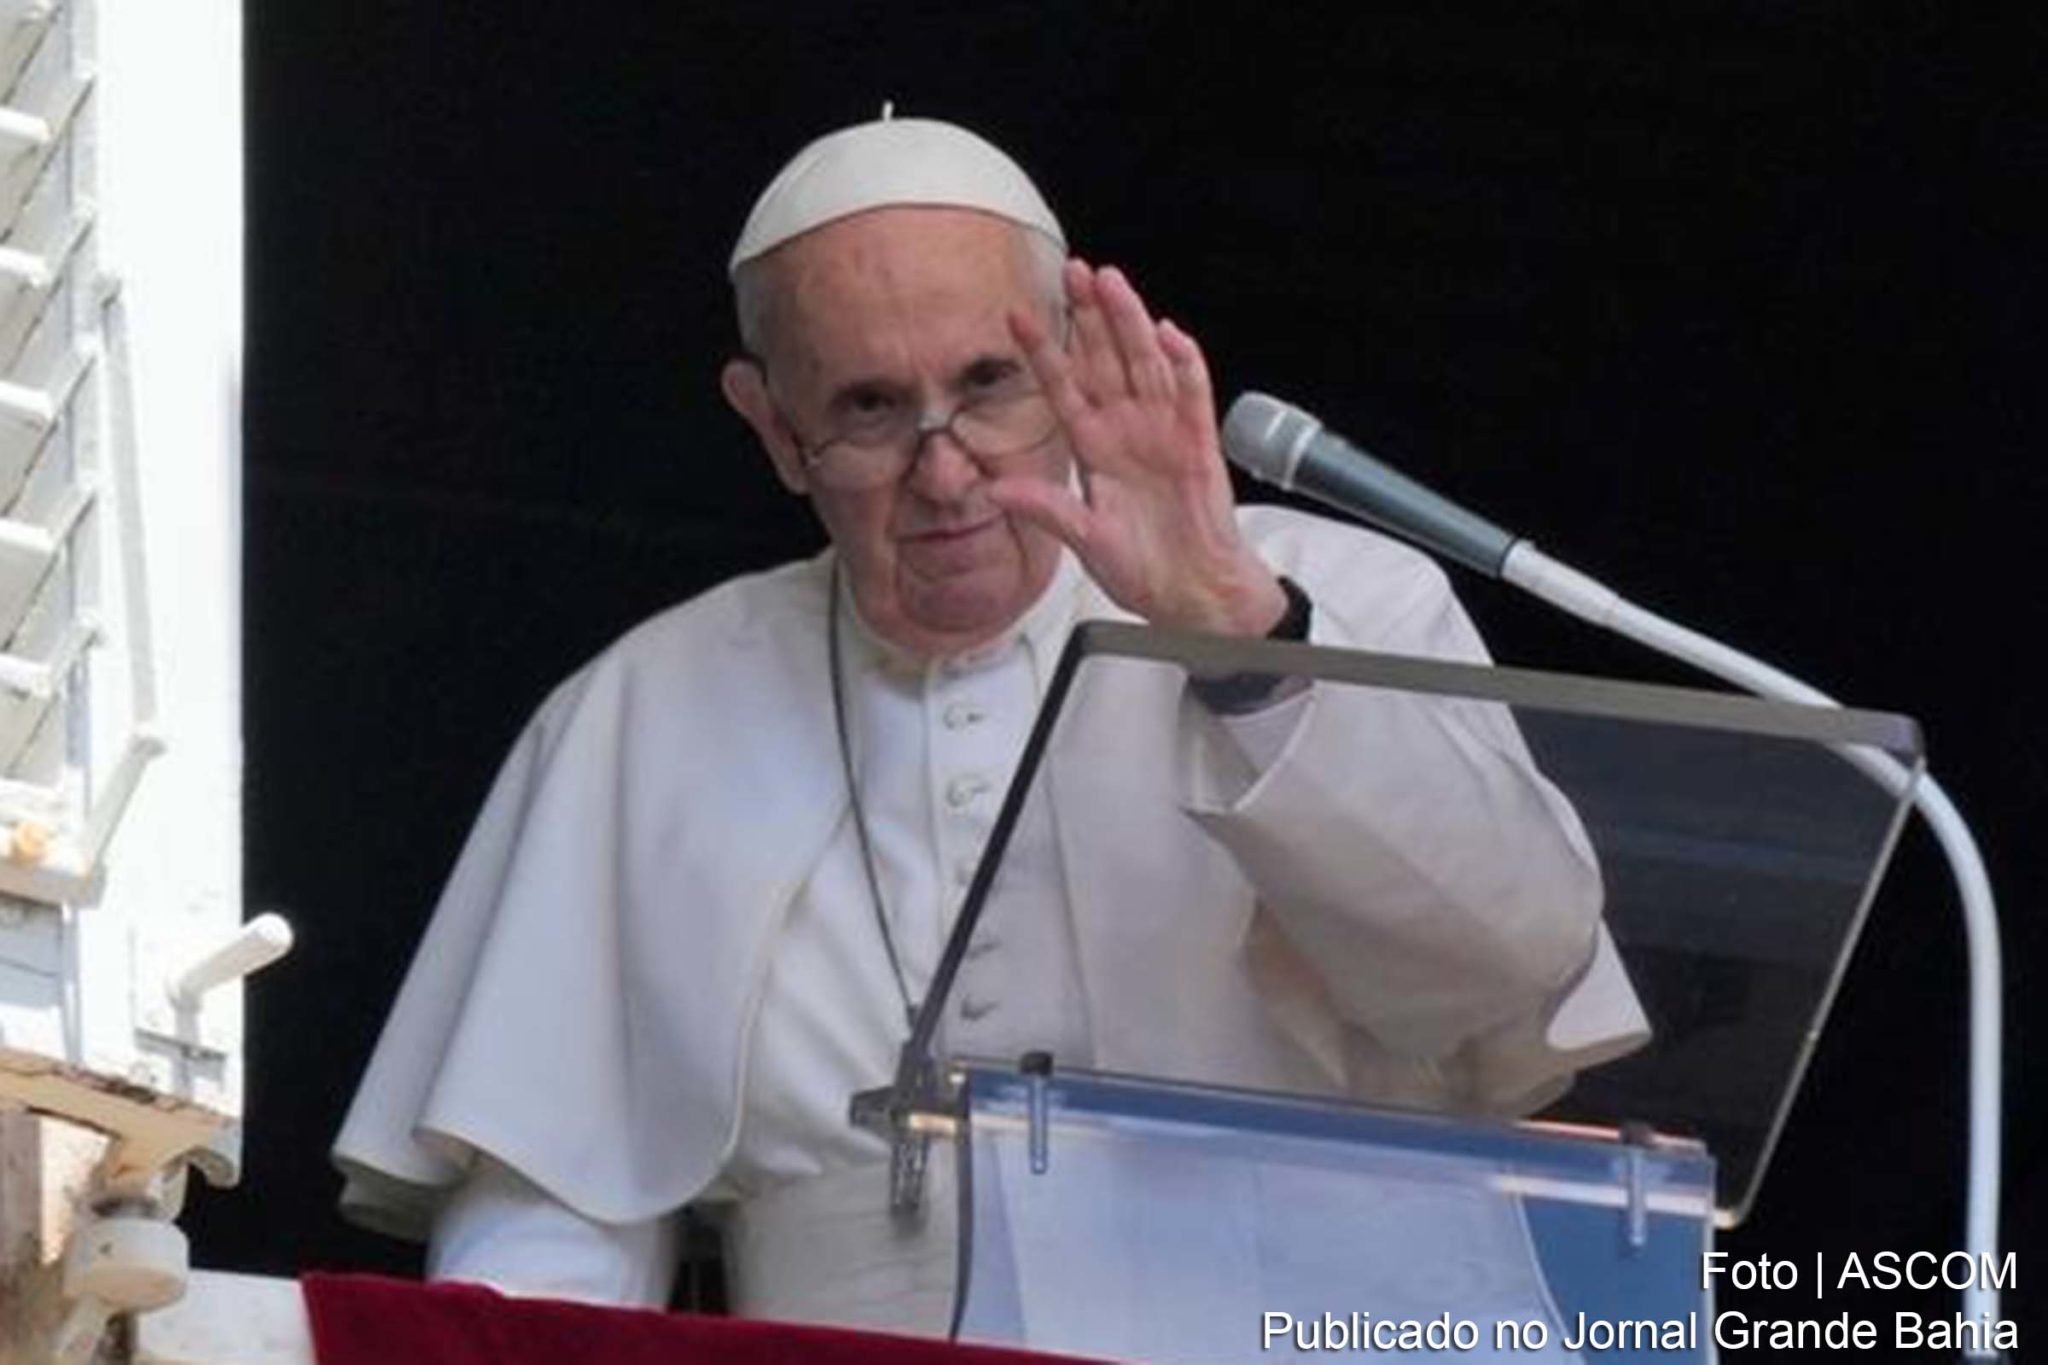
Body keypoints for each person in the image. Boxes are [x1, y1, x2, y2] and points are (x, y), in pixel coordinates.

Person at [333, 115, 1646, 1332]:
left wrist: (1246, 649)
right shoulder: (646, 708)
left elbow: (1510, 968)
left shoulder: (1334, 597)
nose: (947, 471)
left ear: (1072, 361)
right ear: (775, 428)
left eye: (988, 384)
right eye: (868, 410)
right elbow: (556, 1208)